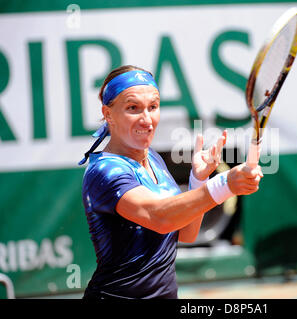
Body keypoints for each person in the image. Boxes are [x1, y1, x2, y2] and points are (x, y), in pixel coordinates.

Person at [79, 65, 263, 299]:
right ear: (108, 114)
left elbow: (186, 233)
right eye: (133, 108)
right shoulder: (105, 171)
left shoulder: (153, 158)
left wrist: (198, 179)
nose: (147, 119)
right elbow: (160, 217)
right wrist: (224, 185)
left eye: (153, 107)